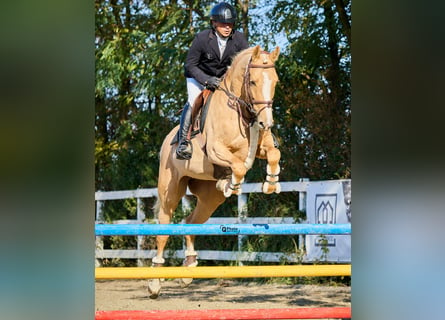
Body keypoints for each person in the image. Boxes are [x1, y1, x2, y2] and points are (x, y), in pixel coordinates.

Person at [175, 2, 249, 160]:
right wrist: (207, 80)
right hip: (198, 77)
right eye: (223, 24)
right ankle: (184, 142)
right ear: (214, 23)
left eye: (230, 24)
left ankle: (262, 135)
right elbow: (190, 64)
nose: (227, 27)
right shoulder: (202, 38)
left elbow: (246, 63)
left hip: (222, 80)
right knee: (193, 100)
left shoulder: (239, 39)